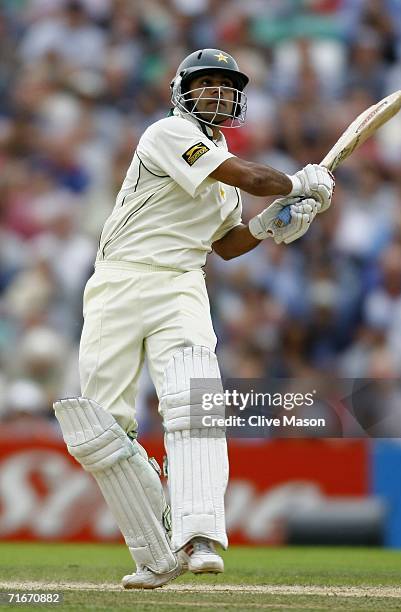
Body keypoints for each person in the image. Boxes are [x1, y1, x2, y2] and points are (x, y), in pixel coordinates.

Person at [53, 48, 334, 589]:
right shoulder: (167, 133)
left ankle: (201, 535)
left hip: (182, 284)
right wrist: (294, 187)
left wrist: (274, 225)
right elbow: (254, 177)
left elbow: (227, 245)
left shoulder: (228, 177)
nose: (217, 93)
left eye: (226, 85)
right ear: (183, 90)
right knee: (97, 432)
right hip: (119, 280)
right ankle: (156, 554)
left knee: (193, 400)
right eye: (206, 83)